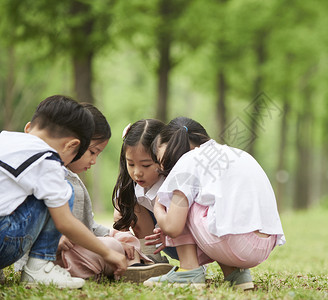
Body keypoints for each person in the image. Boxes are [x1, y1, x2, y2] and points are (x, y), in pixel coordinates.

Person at [143, 116, 285, 290]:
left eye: (158, 157)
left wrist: (159, 206)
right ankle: (236, 274)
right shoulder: (235, 153)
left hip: (236, 244)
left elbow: (173, 227)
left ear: (170, 143)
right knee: (213, 204)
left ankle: (188, 271)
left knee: (179, 200)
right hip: (264, 245)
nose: (159, 165)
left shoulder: (188, 160)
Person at [0, 95, 127, 289]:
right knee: (63, 190)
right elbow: (65, 222)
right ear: (72, 145)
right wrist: (108, 253)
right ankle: (39, 267)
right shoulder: (48, 161)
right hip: (4, 241)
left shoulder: (5, 138)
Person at [53, 104, 157, 282]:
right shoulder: (52, 178)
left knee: (123, 239)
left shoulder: (76, 181)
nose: (93, 161)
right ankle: (122, 266)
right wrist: (54, 237)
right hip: (60, 251)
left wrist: (116, 235)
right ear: (72, 144)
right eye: (92, 152)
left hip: (82, 245)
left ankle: (135, 267)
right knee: (112, 246)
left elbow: (90, 227)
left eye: (97, 155)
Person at [112, 119, 175, 278]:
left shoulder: (175, 182)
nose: (137, 173)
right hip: (156, 242)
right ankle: (151, 257)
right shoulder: (130, 186)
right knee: (128, 202)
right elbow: (119, 224)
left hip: (184, 240)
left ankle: (193, 264)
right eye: (131, 164)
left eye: (146, 165)